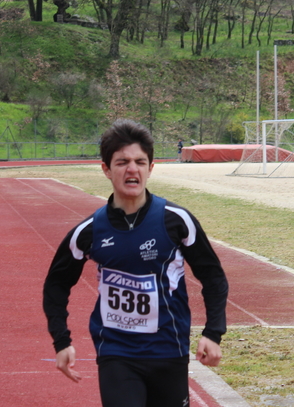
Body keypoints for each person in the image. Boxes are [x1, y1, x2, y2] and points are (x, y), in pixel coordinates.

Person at [43, 119, 228, 407]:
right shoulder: (89, 231)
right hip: (117, 353)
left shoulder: (177, 221)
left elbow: (213, 277)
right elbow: (56, 284)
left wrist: (213, 332)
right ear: (106, 169)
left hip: (169, 350)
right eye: (122, 162)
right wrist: (61, 340)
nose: (132, 169)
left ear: (150, 168)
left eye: (140, 162)